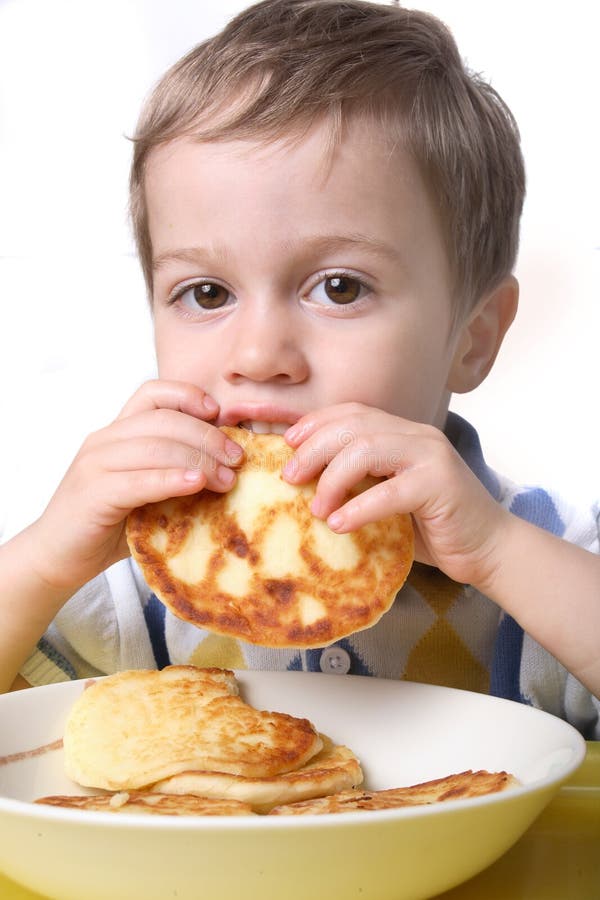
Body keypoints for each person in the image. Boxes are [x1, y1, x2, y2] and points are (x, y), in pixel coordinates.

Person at [1, 0, 598, 736]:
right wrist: (42, 562)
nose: (258, 357)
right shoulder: (135, 586)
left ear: (472, 339)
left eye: (339, 288)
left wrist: (500, 553)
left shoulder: (549, 556)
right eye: (207, 293)